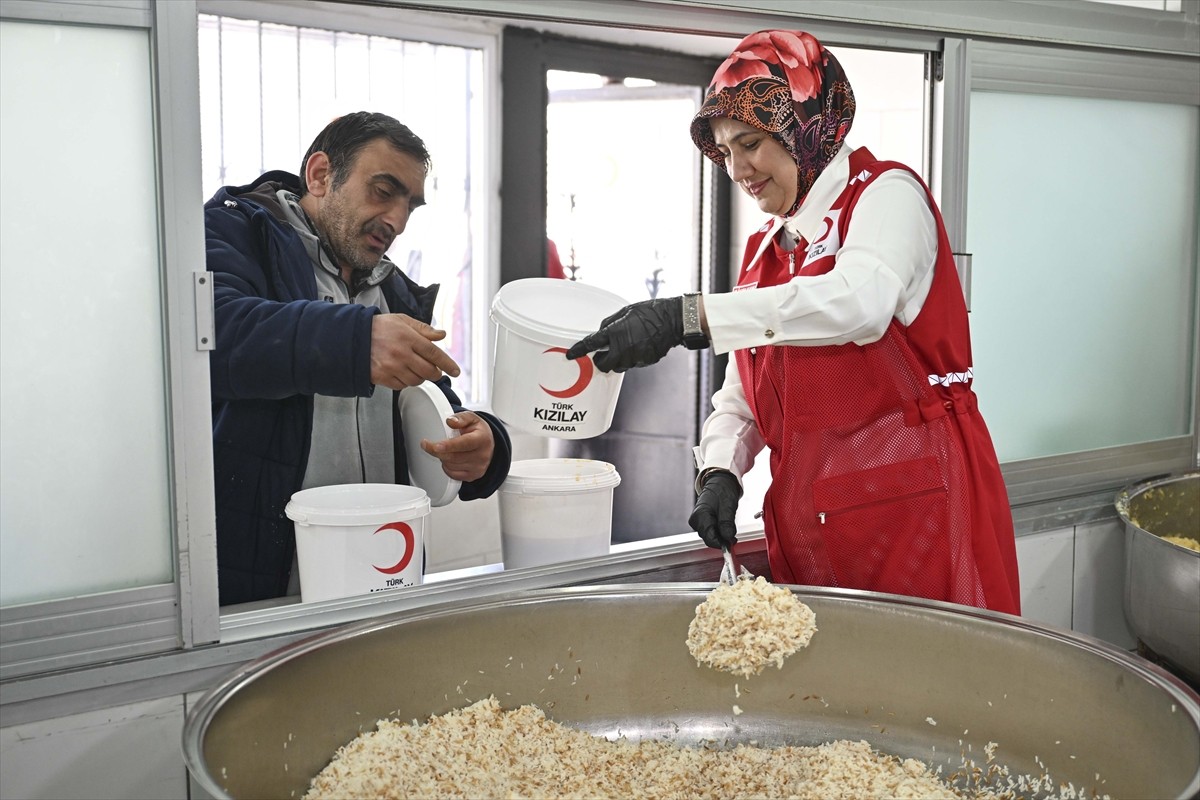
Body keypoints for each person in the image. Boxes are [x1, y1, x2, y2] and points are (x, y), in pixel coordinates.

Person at [566, 30, 1020, 615]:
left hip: (919, 520)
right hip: (817, 527)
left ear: (805, 125)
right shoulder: (767, 249)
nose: (737, 169)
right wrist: (720, 471)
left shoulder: (884, 194)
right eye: (725, 152)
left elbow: (860, 301)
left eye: (750, 143)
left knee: (933, 688)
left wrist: (692, 316)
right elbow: (746, 392)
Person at [206, 111, 512, 606]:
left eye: (410, 205)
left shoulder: (392, 290)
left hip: (379, 578)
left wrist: (484, 445)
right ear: (321, 175)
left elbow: (437, 407)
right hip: (257, 593)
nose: (396, 220)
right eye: (383, 191)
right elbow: (218, 337)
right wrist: (355, 342)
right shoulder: (234, 233)